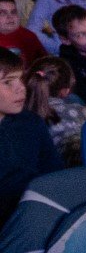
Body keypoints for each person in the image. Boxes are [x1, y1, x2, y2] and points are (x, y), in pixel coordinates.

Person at [0, 50, 63, 225]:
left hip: (38, 215)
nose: (21, 87)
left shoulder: (31, 122)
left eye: (21, 79)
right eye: (8, 82)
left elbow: (54, 174)